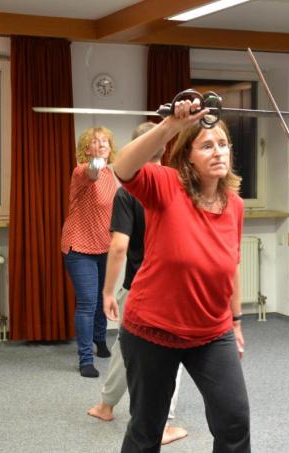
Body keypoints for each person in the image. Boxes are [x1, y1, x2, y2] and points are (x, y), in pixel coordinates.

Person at [111, 99, 249, 452]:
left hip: (211, 331)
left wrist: (234, 322)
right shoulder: (166, 186)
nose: (219, 152)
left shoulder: (234, 204)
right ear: (187, 155)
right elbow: (122, 167)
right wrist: (170, 125)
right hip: (152, 331)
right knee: (147, 429)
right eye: (206, 145)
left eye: (223, 144)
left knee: (234, 421)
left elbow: (230, 266)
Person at [88, 122, 188, 446]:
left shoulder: (127, 192)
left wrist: (108, 291)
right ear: (164, 147)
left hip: (137, 287)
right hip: (166, 289)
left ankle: (108, 405)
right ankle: (163, 422)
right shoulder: (179, 185)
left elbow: (118, 246)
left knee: (126, 348)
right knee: (161, 354)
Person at [61, 127, 117, 378]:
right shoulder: (83, 171)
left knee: (102, 299)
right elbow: (93, 170)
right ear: (86, 149)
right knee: (87, 303)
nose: (102, 143)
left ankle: (100, 341)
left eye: (105, 140)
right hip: (79, 246)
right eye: (96, 141)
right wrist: (98, 158)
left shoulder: (111, 174)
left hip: (104, 245)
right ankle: (85, 359)